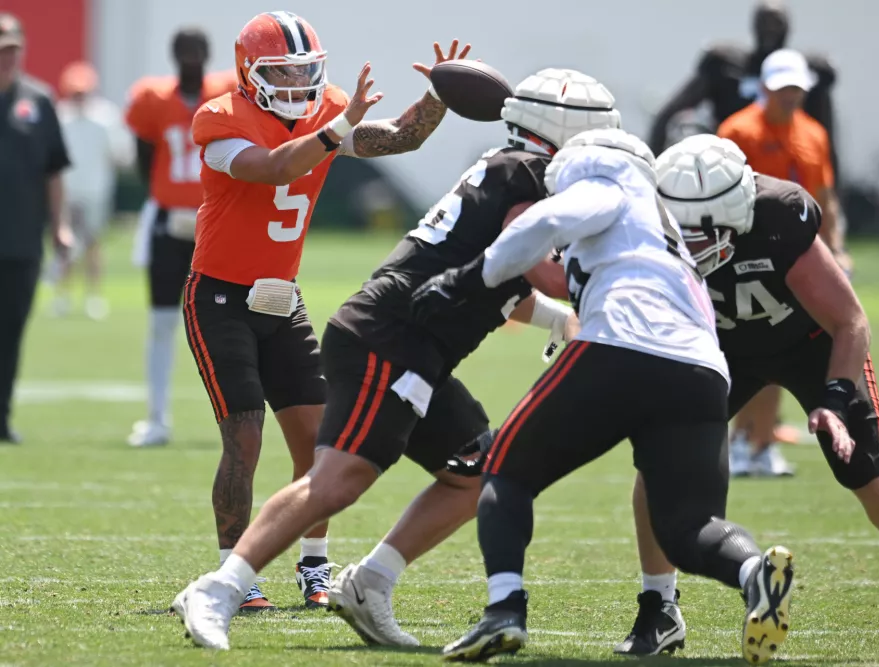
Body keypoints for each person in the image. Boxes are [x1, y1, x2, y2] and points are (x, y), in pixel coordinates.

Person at [171, 67, 620, 651]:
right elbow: (534, 263)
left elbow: (498, 279)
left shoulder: (507, 170)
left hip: (416, 345)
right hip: (391, 336)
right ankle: (219, 588)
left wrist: (562, 318)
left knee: (478, 472)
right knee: (337, 480)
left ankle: (370, 583)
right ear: (562, 131)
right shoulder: (528, 177)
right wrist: (613, 277)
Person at [419, 129, 796, 666]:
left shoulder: (608, 181)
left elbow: (545, 222)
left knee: (506, 469)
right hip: (702, 370)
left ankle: (504, 609)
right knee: (688, 527)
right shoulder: (662, 228)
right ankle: (754, 572)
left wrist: (466, 279)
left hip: (623, 343)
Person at [614, 134, 879, 658]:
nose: (687, 243)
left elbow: (850, 322)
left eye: (700, 231)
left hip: (810, 344)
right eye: (679, 228)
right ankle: (659, 606)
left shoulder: (778, 218)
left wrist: (835, 398)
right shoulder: (650, 220)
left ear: (735, 214)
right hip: (721, 347)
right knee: (660, 461)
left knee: (862, 469)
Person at [177, 12, 478, 614]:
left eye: (303, 71)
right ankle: (233, 572)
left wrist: (439, 97)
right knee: (245, 435)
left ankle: (314, 564)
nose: (296, 83)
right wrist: (339, 126)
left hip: (281, 297)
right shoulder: (220, 117)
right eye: (281, 72)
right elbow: (275, 167)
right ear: (249, 72)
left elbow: (402, 137)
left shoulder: (329, 111)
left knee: (319, 441)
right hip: (218, 299)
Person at [714, 48, 847, 477]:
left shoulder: (813, 133)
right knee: (757, 350)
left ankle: (759, 441)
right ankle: (746, 439)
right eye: (782, 87)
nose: (790, 96)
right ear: (764, 88)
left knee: (785, 351)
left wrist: (836, 247)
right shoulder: (737, 130)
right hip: (749, 257)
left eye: (796, 88)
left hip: (800, 257)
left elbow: (823, 195)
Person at [123, 27, 236, 448]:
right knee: (162, 321)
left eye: (197, 51)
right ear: (173, 55)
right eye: (184, 51)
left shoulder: (227, 94)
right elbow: (144, 158)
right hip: (169, 220)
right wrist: (169, 197)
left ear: (208, 54)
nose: (191, 58)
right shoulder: (152, 98)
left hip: (216, 221)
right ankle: (157, 418)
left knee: (226, 320)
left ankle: (236, 418)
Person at [0, 13, 73, 444]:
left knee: (10, 333)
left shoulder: (39, 101)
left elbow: (54, 170)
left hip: (21, 241)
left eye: (12, 49)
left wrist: (60, 227)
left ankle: (1, 417)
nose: (7, 58)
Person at [647, 0, 836, 157]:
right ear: (764, 87)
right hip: (729, 168)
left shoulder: (807, 76)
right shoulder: (724, 68)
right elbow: (669, 114)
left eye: (793, 88)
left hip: (789, 167)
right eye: (764, 23)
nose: (770, 30)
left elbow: (827, 139)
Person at [54, 61, 134, 320]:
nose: (79, 97)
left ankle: (93, 296)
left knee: (93, 243)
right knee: (64, 244)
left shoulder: (105, 117)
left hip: (96, 190)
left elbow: (121, 154)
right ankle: (63, 295)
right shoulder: (60, 117)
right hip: (67, 190)